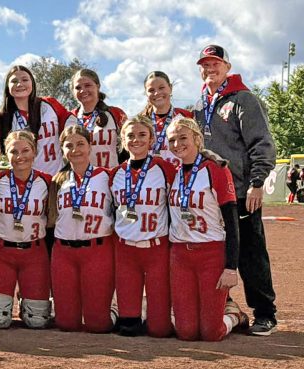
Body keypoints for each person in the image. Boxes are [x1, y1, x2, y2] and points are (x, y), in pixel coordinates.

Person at [193, 44, 278, 335]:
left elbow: (262, 143)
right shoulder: (198, 105)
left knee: (251, 254)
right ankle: (225, 305)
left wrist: (256, 183)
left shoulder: (244, 100)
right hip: (209, 196)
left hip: (241, 191)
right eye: (205, 65)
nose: (210, 69)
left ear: (227, 67)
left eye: (215, 63)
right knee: (217, 253)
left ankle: (265, 313)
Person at [165, 117, 249, 341]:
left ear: (197, 138)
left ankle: (234, 315)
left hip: (211, 252)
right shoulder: (172, 172)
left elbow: (231, 221)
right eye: (172, 140)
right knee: (186, 332)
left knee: (212, 333)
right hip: (180, 253)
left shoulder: (216, 169)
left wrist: (231, 267)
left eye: (183, 138)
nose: (177, 144)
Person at [109, 115, 176, 337]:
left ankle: (232, 315)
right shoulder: (116, 174)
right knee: (129, 327)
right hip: (125, 249)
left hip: (156, 247)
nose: (136, 140)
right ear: (122, 139)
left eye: (142, 135)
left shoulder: (165, 168)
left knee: (160, 329)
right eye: (130, 135)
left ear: (152, 139)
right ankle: (120, 310)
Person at [47, 125, 116, 333]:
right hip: (64, 252)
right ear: (62, 149)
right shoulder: (57, 181)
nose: (75, 150)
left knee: (98, 325)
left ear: (90, 146)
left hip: (97, 250)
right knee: (66, 324)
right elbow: (51, 220)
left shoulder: (107, 177)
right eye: (69, 145)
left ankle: (113, 311)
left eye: (80, 144)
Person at [0, 130, 52, 329]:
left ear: (34, 152)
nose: (20, 156)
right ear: (6, 154)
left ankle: (27, 299)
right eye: (14, 151)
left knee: (37, 321)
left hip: (34, 252)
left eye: (25, 150)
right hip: (2, 251)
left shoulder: (48, 181)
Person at [0, 65, 77, 176]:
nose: (20, 84)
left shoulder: (49, 104)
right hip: (26, 181)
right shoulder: (3, 117)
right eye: (14, 81)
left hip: (57, 176)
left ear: (32, 83)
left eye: (25, 80)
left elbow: (70, 120)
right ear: (7, 86)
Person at [71, 68, 127, 168]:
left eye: (88, 85)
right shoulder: (70, 117)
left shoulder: (116, 113)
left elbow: (129, 146)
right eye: (78, 87)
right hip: (82, 179)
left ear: (98, 86)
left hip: (111, 177)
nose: (83, 90)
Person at [139, 71, 193, 167]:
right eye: (151, 90)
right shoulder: (140, 122)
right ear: (146, 94)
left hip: (179, 178)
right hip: (149, 178)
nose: (157, 93)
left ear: (170, 88)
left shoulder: (186, 116)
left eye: (161, 88)